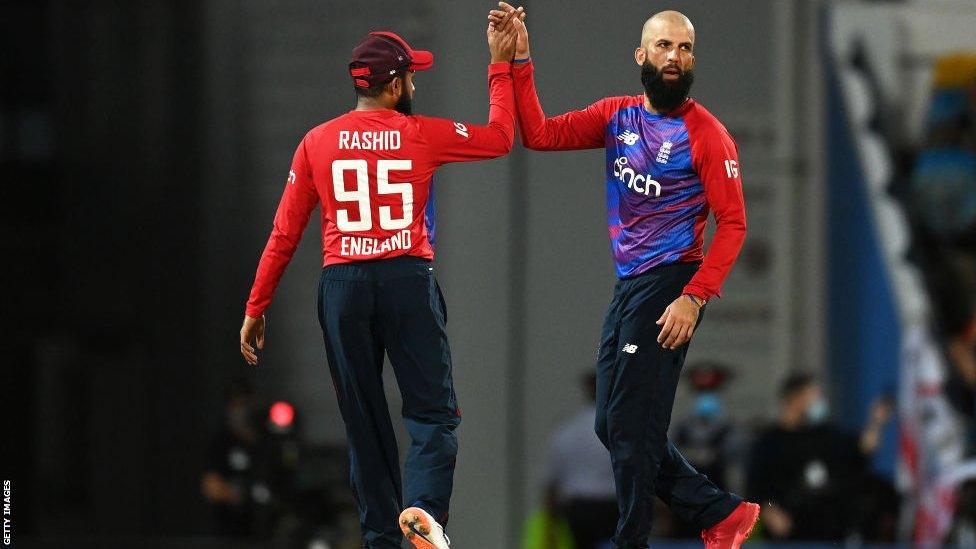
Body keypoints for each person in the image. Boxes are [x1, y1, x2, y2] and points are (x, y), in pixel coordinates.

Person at [239, 15, 521, 549]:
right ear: (393, 86)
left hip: (342, 286)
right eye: (410, 77)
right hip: (405, 279)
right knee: (434, 413)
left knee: (364, 422)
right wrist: (500, 65)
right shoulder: (421, 132)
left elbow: (284, 234)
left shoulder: (315, 142)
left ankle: (381, 539)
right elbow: (502, 137)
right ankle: (424, 513)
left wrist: (257, 306)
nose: (414, 84)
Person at [488, 5, 757, 548]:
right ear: (641, 56)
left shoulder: (707, 135)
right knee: (609, 426)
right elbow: (538, 134)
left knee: (633, 428)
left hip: (671, 283)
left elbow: (734, 223)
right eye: (663, 46)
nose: (674, 57)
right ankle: (721, 514)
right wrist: (518, 59)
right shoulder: (618, 117)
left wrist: (694, 297)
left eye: (684, 48)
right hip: (631, 285)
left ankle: (632, 540)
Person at [746, 373, 895, 542]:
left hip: (828, 533)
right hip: (788, 536)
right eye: (813, 396)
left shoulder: (826, 435)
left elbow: (863, 447)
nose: (818, 402)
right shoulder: (769, 442)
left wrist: (876, 421)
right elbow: (756, 488)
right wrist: (771, 513)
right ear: (795, 399)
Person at [545, 373, 618, 549]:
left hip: (578, 508)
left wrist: (551, 521)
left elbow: (552, 481)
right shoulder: (622, 430)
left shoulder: (567, 431)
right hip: (613, 506)